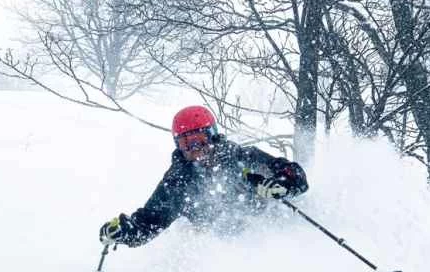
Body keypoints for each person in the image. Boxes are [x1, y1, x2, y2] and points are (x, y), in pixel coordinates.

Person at [99, 105, 309, 247]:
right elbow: (150, 221)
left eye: (198, 139)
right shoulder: (178, 180)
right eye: (184, 143)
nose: (193, 148)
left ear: (212, 135)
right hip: (220, 247)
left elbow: (295, 176)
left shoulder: (242, 157)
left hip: (267, 231)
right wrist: (126, 231)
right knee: (190, 239)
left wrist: (283, 185)